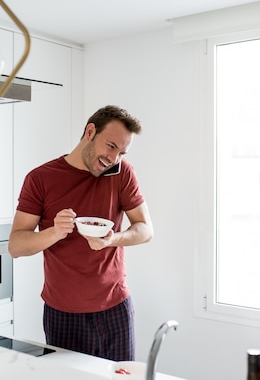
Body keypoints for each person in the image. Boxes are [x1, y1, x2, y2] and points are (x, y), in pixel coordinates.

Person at [9, 105, 154, 362]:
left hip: (115, 308)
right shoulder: (40, 178)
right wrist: (55, 232)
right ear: (90, 132)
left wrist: (113, 239)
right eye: (111, 146)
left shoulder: (122, 174)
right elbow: (16, 246)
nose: (114, 159)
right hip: (62, 312)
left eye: (122, 152)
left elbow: (145, 229)